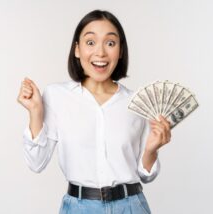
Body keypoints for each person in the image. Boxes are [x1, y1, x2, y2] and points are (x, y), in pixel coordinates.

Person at [17, 9, 172, 214]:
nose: (100, 52)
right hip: (79, 208)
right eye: (90, 42)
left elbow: (146, 175)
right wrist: (35, 113)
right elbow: (36, 164)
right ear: (77, 49)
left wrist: (151, 150)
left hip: (131, 206)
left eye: (110, 43)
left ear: (121, 51)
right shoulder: (56, 96)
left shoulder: (137, 103)